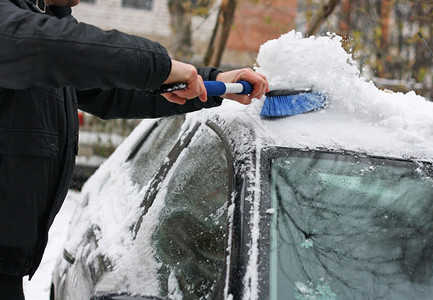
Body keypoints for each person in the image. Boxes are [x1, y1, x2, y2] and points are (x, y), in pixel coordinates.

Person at [0, 0, 269, 298]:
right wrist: (161, 68)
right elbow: (54, 45)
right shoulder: (24, 34)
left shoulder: (39, 32)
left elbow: (113, 89)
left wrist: (213, 81)